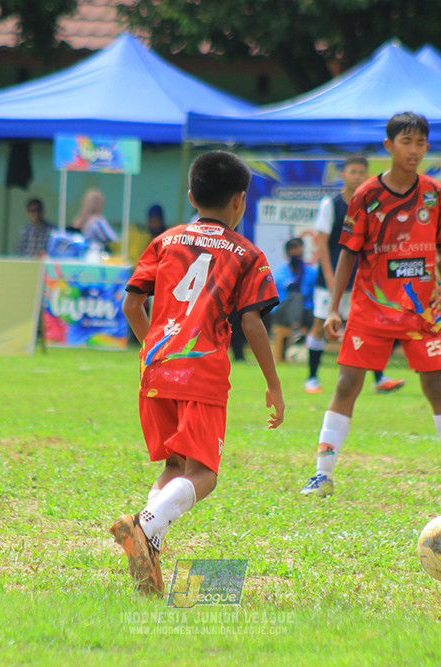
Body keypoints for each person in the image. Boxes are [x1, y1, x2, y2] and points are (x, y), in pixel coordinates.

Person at [111, 150, 284, 595]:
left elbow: (132, 304)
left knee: (175, 464)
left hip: (157, 368)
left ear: (191, 195)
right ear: (240, 202)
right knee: (204, 472)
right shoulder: (247, 254)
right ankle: (144, 526)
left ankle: (149, 551)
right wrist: (274, 384)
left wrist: (152, 349)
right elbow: (251, 322)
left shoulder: (165, 240)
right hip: (202, 371)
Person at [299, 112, 441, 502]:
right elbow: (347, 253)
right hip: (370, 309)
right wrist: (333, 307)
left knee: (436, 386)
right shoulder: (365, 196)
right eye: (406, 142)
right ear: (388, 146)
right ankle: (322, 474)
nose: (414, 150)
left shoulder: (435, 194)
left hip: (420, 311)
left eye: (421, 143)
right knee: (346, 384)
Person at [304, 154, 405, 395]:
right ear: (342, 175)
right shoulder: (331, 204)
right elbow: (322, 244)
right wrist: (330, 278)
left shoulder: (370, 204)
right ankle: (311, 378)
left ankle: (379, 378)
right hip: (331, 279)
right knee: (321, 323)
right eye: (353, 172)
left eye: (362, 172)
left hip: (359, 278)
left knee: (365, 326)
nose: (357, 176)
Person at [269, 237, 317, 361]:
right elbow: (294, 287)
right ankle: (296, 330)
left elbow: (313, 296)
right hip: (282, 313)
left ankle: (313, 347)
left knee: (316, 313)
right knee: (296, 296)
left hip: (305, 312)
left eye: (300, 253)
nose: (298, 257)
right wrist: (300, 270)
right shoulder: (281, 272)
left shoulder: (311, 272)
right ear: (288, 254)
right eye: (295, 254)